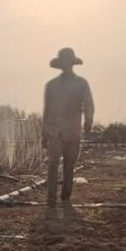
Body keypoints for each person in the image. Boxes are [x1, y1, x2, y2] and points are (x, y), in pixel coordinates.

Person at [42, 47, 94, 206]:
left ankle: (65, 195)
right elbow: (46, 109)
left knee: (70, 163)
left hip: (73, 130)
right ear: (60, 64)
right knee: (53, 162)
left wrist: (88, 121)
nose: (65, 65)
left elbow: (88, 103)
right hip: (54, 130)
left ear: (72, 63)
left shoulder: (81, 83)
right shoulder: (51, 85)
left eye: (67, 62)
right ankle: (51, 197)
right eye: (62, 62)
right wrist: (44, 133)